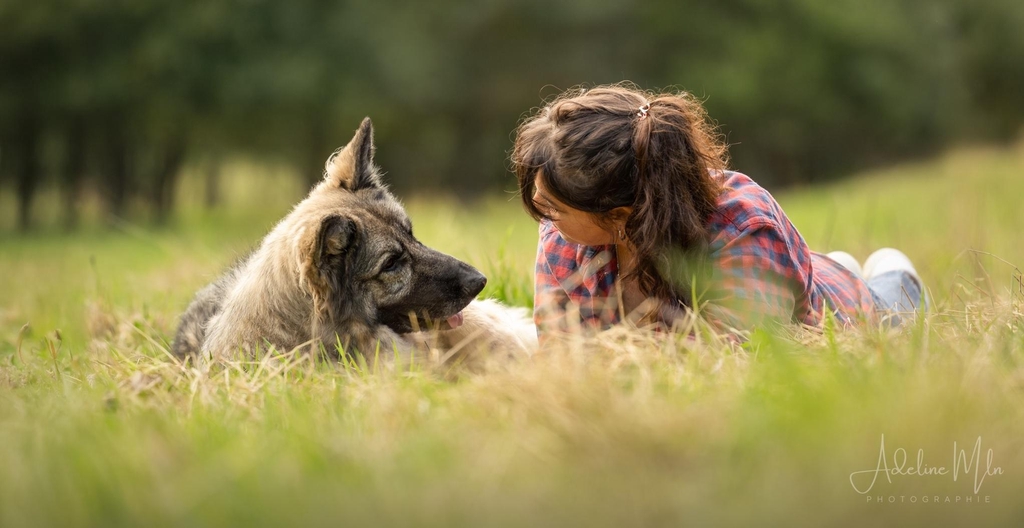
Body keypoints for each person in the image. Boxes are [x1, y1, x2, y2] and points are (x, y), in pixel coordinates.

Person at [510, 84, 927, 339]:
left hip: (840, 316)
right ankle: (834, 267)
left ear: (618, 215)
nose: (545, 220)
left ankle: (893, 281)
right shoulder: (566, 238)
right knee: (823, 272)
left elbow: (740, 363)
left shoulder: (743, 227)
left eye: (553, 208)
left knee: (894, 315)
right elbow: (563, 354)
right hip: (784, 284)